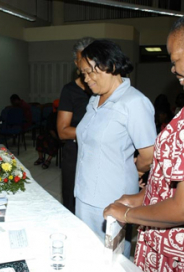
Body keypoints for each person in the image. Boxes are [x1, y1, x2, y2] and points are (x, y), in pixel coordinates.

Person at [103, 16, 184, 271]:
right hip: (160, 239)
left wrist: (126, 215)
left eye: (176, 59)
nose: (172, 68)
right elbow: (171, 188)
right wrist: (141, 197)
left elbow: (180, 209)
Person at [76, 39, 157, 258]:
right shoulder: (94, 101)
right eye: (83, 74)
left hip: (113, 196)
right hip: (84, 191)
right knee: (87, 253)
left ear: (110, 66)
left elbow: (148, 155)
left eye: (90, 73)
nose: (86, 79)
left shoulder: (134, 102)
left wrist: (137, 171)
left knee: (112, 257)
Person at [57, 37, 94, 214]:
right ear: (76, 63)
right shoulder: (70, 91)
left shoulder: (107, 90)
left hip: (100, 155)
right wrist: (95, 132)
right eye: (82, 59)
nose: (87, 64)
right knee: (71, 203)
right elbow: (63, 131)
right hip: (75, 153)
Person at [34, 99, 60, 169]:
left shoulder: (64, 115)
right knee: (40, 138)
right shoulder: (52, 114)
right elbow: (49, 127)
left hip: (59, 134)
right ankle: (41, 158)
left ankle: (48, 160)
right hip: (50, 132)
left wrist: (56, 137)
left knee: (53, 141)